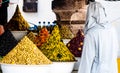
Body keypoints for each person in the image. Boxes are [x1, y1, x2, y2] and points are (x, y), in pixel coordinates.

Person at [78, 1, 119, 73]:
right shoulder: (112, 30)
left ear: (90, 14)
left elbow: (87, 60)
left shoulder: (91, 34)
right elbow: (116, 51)